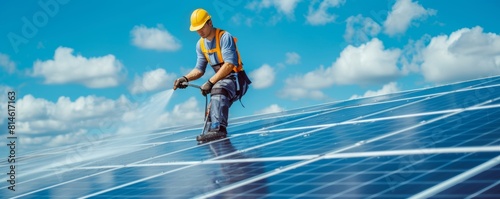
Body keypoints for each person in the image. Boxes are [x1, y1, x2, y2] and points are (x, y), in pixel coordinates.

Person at [173, 8, 247, 138]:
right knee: (211, 111)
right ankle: (211, 135)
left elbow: (229, 65)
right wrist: (185, 78)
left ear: (210, 23)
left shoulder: (224, 37)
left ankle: (218, 130)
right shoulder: (200, 45)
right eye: (196, 28)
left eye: (201, 27)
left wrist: (210, 82)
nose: (199, 31)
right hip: (222, 81)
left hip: (237, 79)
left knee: (218, 89)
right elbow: (199, 70)